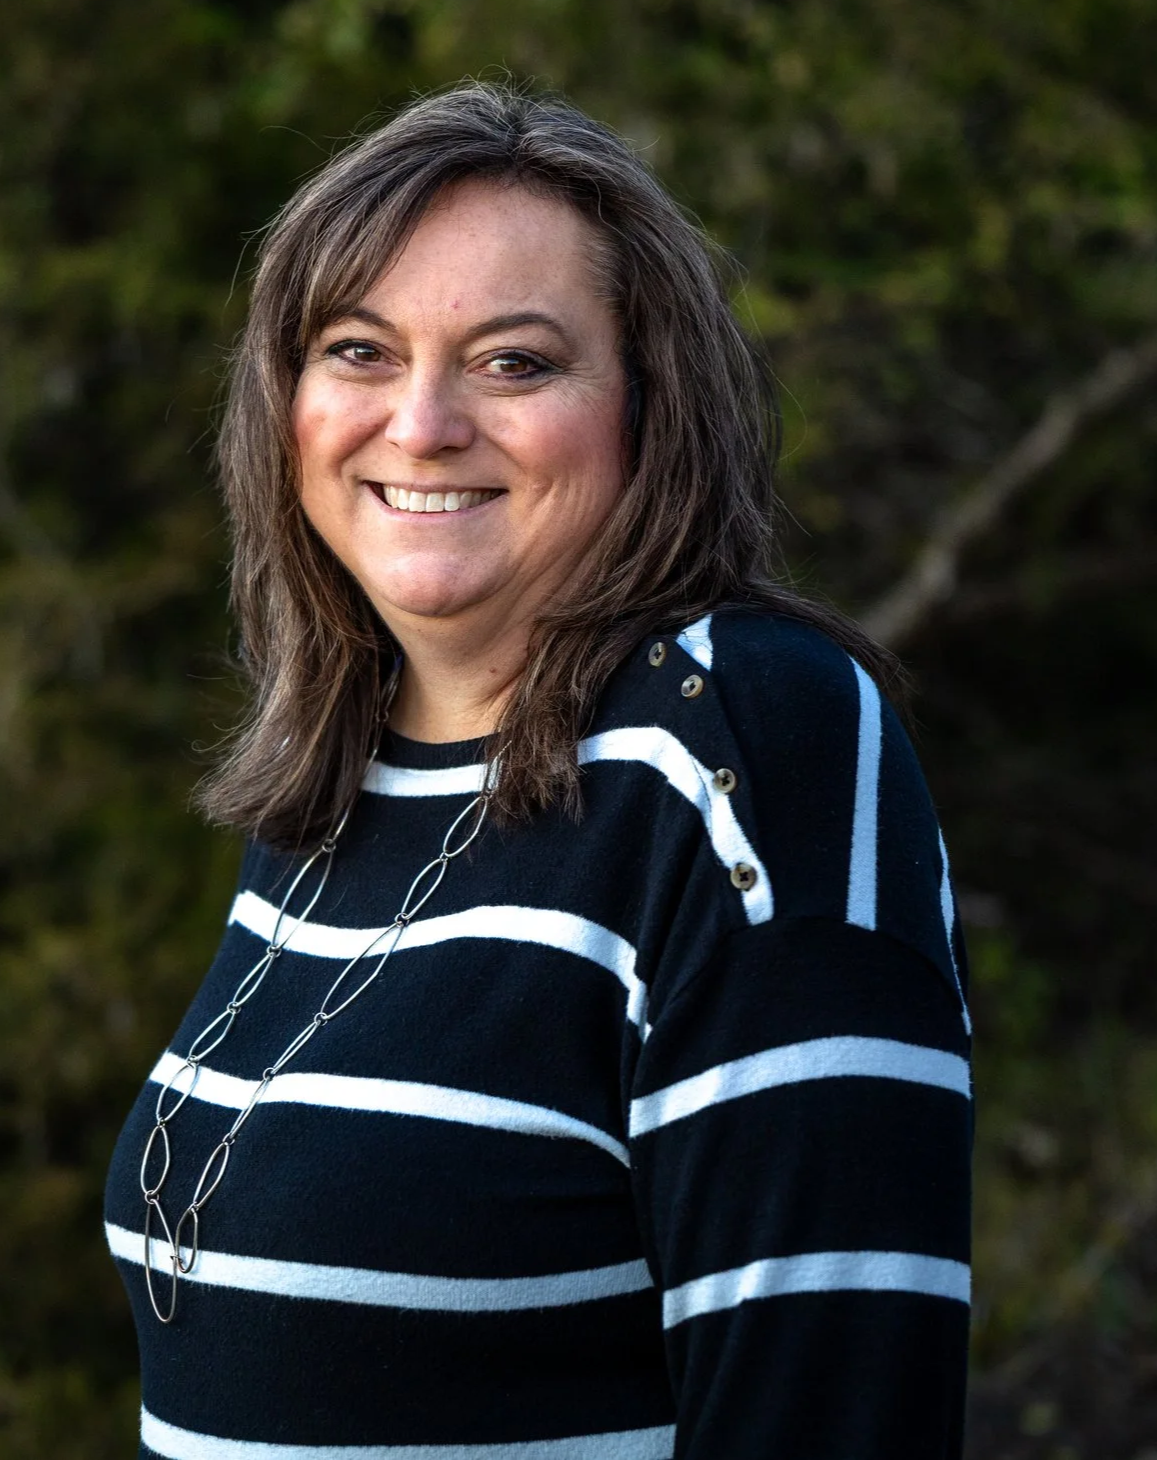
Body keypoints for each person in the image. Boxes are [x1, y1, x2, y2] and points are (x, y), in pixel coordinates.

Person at [104, 82, 972, 1460]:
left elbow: (831, 1400)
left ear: (648, 401)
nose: (423, 421)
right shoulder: (342, 776)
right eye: (358, 350)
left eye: (514, 362)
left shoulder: (750, 742)